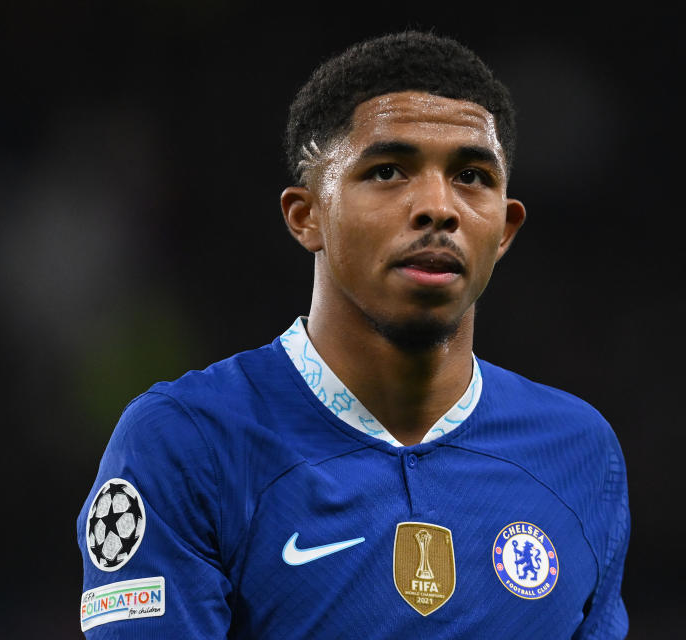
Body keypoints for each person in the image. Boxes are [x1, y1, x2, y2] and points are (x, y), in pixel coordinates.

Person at [77, 30, 629, 639]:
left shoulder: (579, 451)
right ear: (306, 215)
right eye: (389, 171)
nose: (438, 207)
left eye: (471, 176)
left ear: (504, 230)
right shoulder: (187, 443)